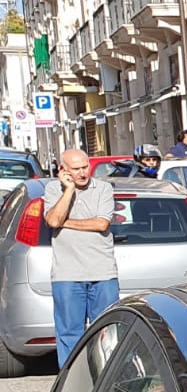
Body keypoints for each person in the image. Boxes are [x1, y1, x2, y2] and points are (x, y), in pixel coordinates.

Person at [43, 148, 118, 366]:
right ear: (64, 170)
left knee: (107, 332)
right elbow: (53, 219)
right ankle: (71, 382)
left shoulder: (103, 188)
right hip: (67, 273)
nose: (83, 173)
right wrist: (68, 190)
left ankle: (107, 380)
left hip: (102, 272)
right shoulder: (52, 189)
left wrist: (65, 223)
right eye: (76, 169)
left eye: (85, 167)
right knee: (69, 333)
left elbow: (101, 223)